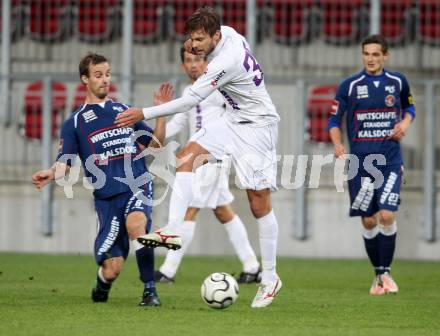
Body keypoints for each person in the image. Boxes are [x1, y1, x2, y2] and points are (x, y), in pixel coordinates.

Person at [116, 7, 281, 308]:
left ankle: (269, 278)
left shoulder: (225, 62)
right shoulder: (229, 33)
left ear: (215, 36)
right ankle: (174, 229)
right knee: (186, 158)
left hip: (258, 128)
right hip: (232, 121)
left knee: (258, 204)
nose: (194, 45)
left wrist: (144, 113)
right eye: (191, 39)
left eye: (200, 40)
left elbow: (191, 99)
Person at [31, 53, 178, 307]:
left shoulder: (124, 111)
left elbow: (155, 146)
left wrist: (161, 113)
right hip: (108, 200)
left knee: (137, 224)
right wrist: (50, 173)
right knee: (113, 268)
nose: (105, 80)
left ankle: (150, 291)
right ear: (85, 79)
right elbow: (64, 163)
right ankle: (102, 283)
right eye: (98, 75)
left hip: (137, 185)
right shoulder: (75, 122)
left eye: (108, 74)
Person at [155, 47, 261, 284]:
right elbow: (179, 123)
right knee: (223, 211)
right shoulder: (189, 91)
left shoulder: (218, 86)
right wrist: (155, 126)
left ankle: (167, 271)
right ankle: (252, 267)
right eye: (189, 60)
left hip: (210, 157)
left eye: (198, 59)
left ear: (207, 61)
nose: (193, 64)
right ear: (183, 65)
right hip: (202, 159)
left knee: (188, 211)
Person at [328, 35, 415, 295]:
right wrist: (337, 144)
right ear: (362, 55)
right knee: (368, 221)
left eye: (376, 54)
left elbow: (410, 108)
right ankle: (379, 275)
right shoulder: (350, 85)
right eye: (367, 53)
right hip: (360, 164)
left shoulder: (398, 81)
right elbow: (334, 120)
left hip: (390, 160)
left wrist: (404, 125)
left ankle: (386, 274)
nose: (371, 58)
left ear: (385, 56)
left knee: (387, 215)